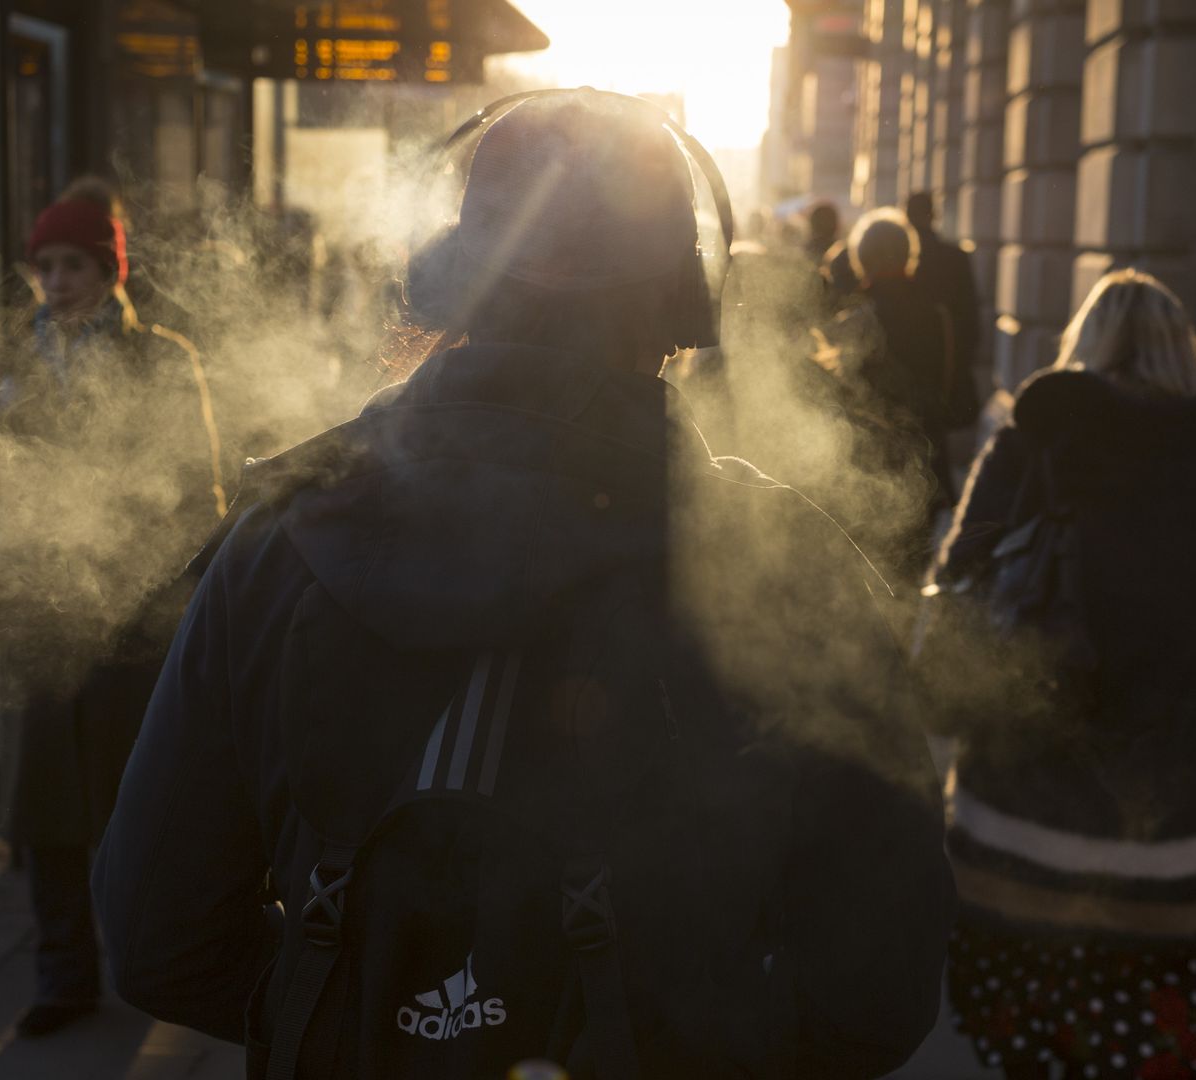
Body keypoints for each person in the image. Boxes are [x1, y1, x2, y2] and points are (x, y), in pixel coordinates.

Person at [92, 90, 952, 1078]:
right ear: (679, 305)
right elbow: (879, 991)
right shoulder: (792, 567)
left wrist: (361, 1015)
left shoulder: (277, 538)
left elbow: (158, 935)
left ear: (458, 286)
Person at [923, 269, 1196, 1079]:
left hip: (1025, 793)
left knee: (1022, 1013)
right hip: (1166, 804)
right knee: (1145, 1012)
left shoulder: (1040, 437)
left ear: (1087, 341)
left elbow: (962, 574)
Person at [0, 177, 227, 1038]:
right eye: (44, 267)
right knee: (50, 811)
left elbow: (196, 495)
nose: (55, 283)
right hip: (37, 613)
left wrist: (138, 567)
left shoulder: (163, 358)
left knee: (135, 805)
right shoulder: (16, 362)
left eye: (72, 265)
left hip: (130, 615)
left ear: (109, 271)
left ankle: (148, 958)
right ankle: (64, 974)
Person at [821, 208, 961, 583]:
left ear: (861, 259)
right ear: (908, 254)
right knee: (914, 572)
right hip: (927, 457)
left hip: (870, 464)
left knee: (871, 576)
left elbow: (841, 398)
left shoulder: (857, 323)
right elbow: (945, 386)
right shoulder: (939, 316)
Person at [903, 191, 983, 461]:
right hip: (947, 362)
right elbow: (970, 315)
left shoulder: (900, 259)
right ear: (933, 215)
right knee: (936, 443)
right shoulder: (955, 257)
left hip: (911, 365)